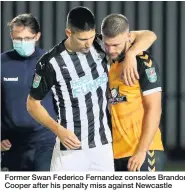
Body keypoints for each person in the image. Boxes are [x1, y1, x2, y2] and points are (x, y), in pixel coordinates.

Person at [27, 6, 157, 171]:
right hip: (70, 150)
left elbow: (149, 35)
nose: (88, 43)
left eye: (90, 37)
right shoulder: (50, 62)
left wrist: (131, 54)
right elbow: (32, 104)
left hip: (102, 147)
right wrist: (58, 130)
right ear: (69, 33)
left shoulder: (100, 44)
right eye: (82, 39)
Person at [101, 14, 165, 171]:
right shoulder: (110, 63)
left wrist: (142, 151)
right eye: (107, 44)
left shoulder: (143, 62)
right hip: (116, 154)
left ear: (128, 37)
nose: (110, 50)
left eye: (115, 45)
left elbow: (154, 109)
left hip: (142, 152)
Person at [1, 13, 57, 171]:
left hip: (46, 140)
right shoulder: (2, 63)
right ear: (11, 35)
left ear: (37, 36)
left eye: (27, 38)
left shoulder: (51, 62)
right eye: (18, 38)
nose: (22, 42)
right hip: (12, 143)